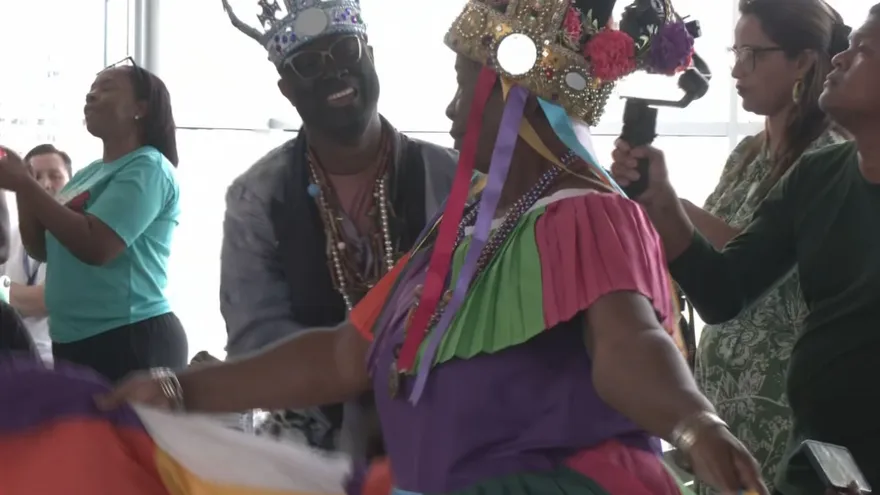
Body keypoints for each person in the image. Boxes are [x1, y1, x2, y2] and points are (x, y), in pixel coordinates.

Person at [101, 0, 770, 493]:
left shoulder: (586, 213)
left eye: (461, 85)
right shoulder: (472, 224)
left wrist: (693, 423)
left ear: (516, 99)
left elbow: (631, 344)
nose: (450, 110)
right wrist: (178, 385)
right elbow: (341, 354)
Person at [610, 4, 880, 493]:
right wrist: (661, 202)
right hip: (818, 462)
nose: (839, 58)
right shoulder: (819, 177)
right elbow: (724, 290)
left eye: (863, 50)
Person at [217, 0, 457, 454]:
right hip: (313, 452)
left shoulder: (452, 179)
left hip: (445, 436)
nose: (334, 74)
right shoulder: (257, 196)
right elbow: (257, 341)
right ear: (287, 89)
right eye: (309, 64)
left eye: (346, 51)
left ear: (370, 53)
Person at [681, 1, 849, 492]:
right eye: (736, 50)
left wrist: (672, 208)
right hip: (721, 400)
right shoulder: (745, 154)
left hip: (782, 402)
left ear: (803, 61)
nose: (736, 68)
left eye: (753, 53)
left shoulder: (830, 157)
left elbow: (759, 262)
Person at [0, 58, 187, 382]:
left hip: (130, 338)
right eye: (91, 89)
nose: (91, 96)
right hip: (74, 339)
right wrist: (20, 186)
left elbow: (96, 246)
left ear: (140, 108)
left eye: (106, 88)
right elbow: (40, 247)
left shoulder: (148, 167)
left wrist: (28, 184)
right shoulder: (89, 174)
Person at [2, 144, 73, 364]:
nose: (45, 184)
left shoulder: (79, 238)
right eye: (34, 177)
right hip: (9, 356)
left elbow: (47, 299)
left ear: (72, 182)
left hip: (54, 360)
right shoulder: (10, 237)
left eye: (55, 176)